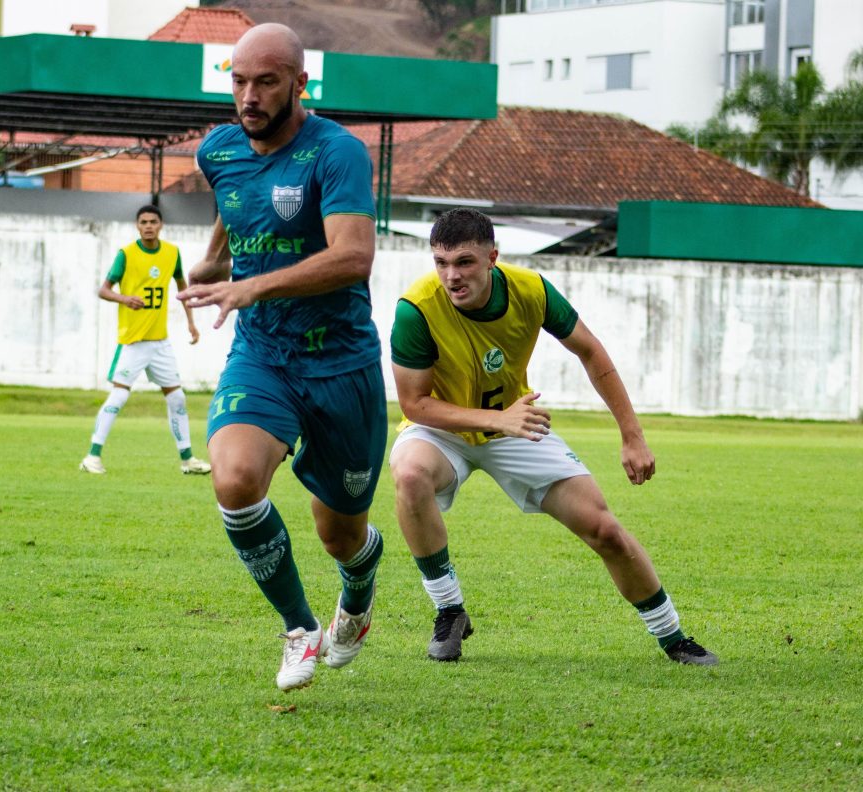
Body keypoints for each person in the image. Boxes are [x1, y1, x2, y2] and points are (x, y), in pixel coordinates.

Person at [388, 207, 717, 666]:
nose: (451, 276)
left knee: (604, 529)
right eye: (441, 262)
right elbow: (415, 405)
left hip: (516, 423)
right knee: (409, 473)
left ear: (492, 259)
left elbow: (590, 351)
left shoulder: (531, 290)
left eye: (464, 262)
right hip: (443, 428)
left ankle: (674, 638)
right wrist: (495, 420)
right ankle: (449, 610)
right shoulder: (415, 309)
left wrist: (632, 435)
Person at [176, 23, 388, 691]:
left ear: (300, 84)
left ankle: (359, 588)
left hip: (341, 364)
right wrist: (211, 263)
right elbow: (236, 208)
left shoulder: (339, 153)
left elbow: (354, 257)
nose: (248, 96)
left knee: (341, 535)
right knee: (234, 478)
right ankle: (300, 630)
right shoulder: (219, 150)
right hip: (262, 355)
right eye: (238, 81)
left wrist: (249, 284)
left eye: (265, 82)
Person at [79, 204, 211, 476]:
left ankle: (187, 460)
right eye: (143, 222)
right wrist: (125, 299)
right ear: (137, 226)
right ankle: (92, 456)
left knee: (178, 399)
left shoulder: (172, 253)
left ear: (161, 224)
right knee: (118, 397)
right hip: (133, 341)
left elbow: (182, 287)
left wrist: (190, 322)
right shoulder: (126, 255)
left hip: (159, 342)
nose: (148, 226)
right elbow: (103, 290)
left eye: (153, 221)